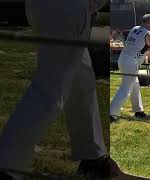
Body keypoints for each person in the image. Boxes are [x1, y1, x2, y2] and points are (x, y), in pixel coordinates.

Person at [0, 0, 110, 179]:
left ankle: (93, 155)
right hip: (69, 8)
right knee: (49, 91)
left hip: (43, 6)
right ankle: (7, 164)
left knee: (81, 78)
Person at [110, 14, 150, 121]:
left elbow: (148, 40)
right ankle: (112, 114)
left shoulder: (134, 29)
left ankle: (138, 111)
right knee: (125, 89)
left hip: (123, 59)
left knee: (135, 85)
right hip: (131, 62)